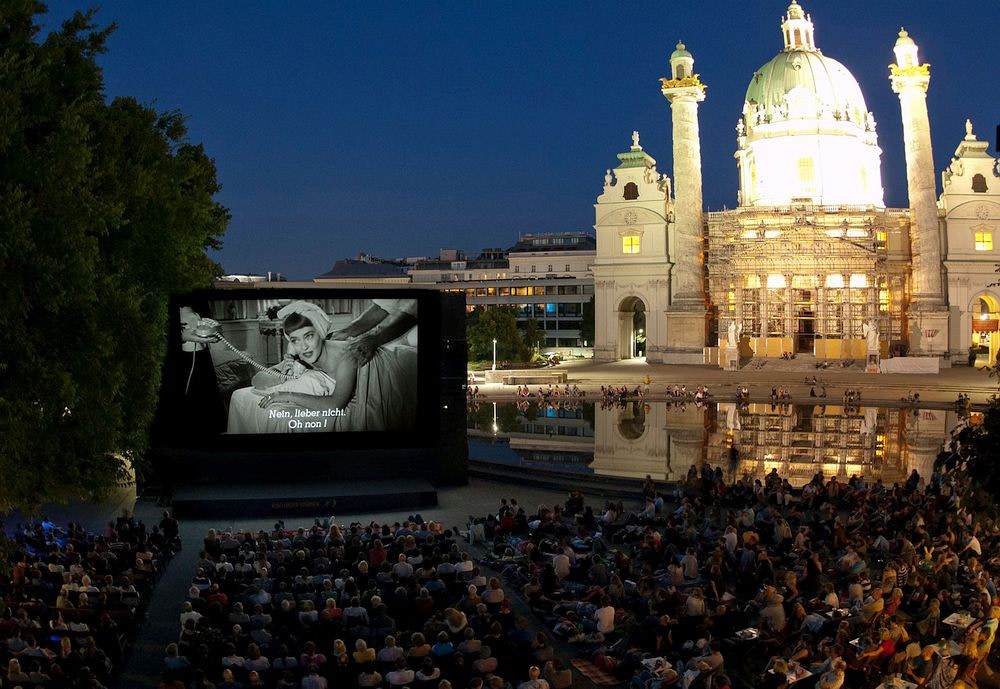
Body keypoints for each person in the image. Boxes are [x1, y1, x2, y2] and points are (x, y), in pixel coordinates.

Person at [227, 300, 417, 432]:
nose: (304, 347)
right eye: (295, 340)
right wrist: (282, 369)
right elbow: (257, 380)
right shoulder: (303, 355)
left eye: (309, 336)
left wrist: (283, 395)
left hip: (399, 368)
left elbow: (335, 404)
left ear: (321, 334)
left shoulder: (346, 355)